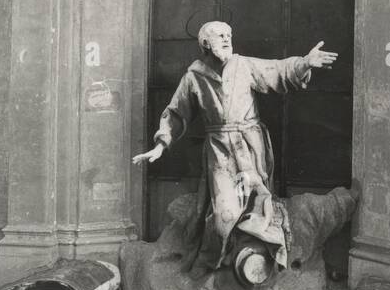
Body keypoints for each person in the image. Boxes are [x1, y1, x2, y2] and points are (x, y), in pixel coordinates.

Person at [133, 20, 337, 269]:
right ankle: (218, 268)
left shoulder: (243, 65)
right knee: (224, 215)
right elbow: (176, 112)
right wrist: (161, 144)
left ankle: (254, 264)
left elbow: (277, 70)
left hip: (250, 147)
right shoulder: (194, 76)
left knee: (258, 204)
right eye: (220, 35)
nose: (227, 39)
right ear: (206, 43)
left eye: (229, 34)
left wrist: (304, 62)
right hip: (220, 152)